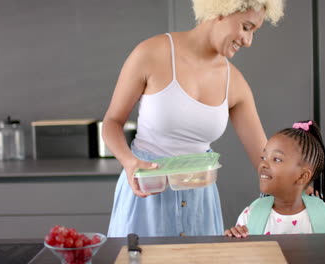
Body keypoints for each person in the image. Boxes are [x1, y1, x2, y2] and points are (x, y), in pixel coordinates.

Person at [102, 0, 285, 237]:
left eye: (253, 32)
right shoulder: (150, 54)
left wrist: (298, 189)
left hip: (200, 203)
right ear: (221, 11)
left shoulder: (235, 82)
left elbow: (264, 158)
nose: (248, 41)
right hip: (147, 195)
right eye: (246, 27)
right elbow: (112, 123)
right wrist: (129, 162)